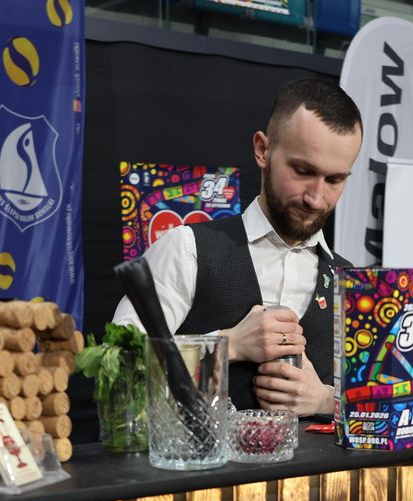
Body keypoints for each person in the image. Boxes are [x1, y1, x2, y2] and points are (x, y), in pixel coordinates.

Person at [112, 79, 362, 415]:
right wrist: (224, 346)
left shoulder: (353, 282)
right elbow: (117, 369)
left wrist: (325, 400)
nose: (316, 198)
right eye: (303, 171)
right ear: (263, 150)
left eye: (335, 180)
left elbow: (385, 404)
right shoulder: (187, 249)